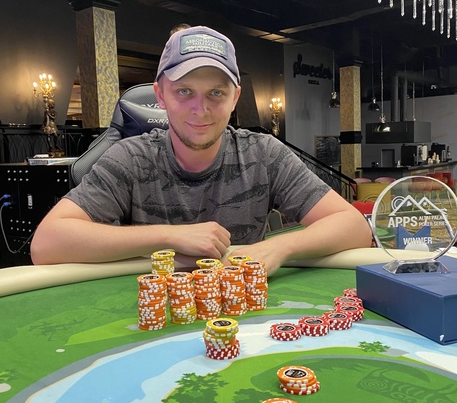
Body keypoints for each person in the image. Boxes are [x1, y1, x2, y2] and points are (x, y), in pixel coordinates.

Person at [31, 25, 371, 273]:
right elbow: (47, 243)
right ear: (161, 95)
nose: (201, 109)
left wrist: (280, 247)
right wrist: (170, 237)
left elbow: (353, 225)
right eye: (184, 92)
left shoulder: (264, 154)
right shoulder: (130, 157)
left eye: (216, 93)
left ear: (235, 98)